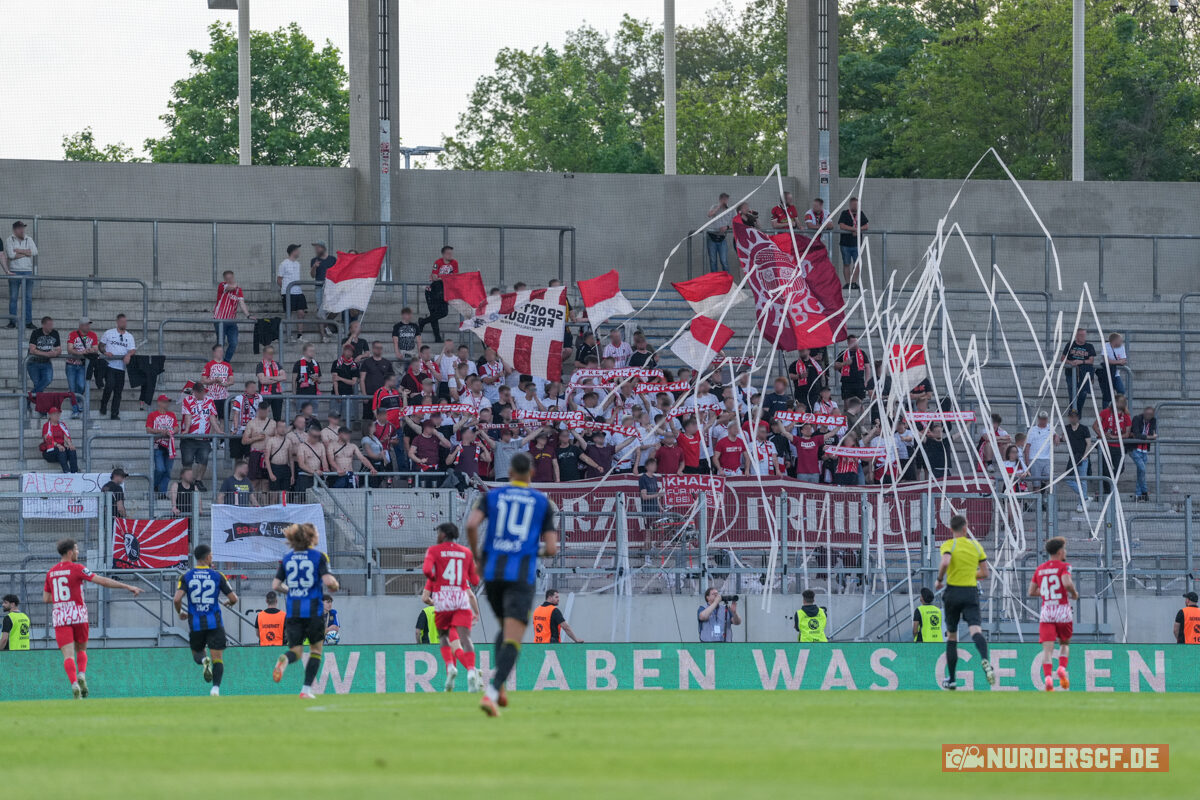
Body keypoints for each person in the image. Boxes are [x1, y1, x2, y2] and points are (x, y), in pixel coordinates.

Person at [466, 452, 559, 716]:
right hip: (520, 576)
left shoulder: (492, 495)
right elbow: (551, 549)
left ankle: (501, 685)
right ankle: (492, 692)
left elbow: (472, 525)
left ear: (510, 472)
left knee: (505, 628)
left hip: (493, 573)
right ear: (531, 473)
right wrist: (532, 551)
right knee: (514, 637)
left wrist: (478, 555)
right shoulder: (542, 501)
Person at [44, 538, 142, 698]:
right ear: (69, 552)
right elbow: (102, 581)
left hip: (60, 615)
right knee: (81, 650)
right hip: (78, 614)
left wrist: (63, 598)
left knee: (68, 655)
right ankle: (82, 674)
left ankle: (74, 683)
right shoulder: (77, 568)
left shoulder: (51, 573)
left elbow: (46, 598)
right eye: (76, 549)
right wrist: (128, 586)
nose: (77, 552)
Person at [271, 523, 339, 698]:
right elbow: (329, 582)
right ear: (311, 537)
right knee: (315, 651)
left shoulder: (287, 559)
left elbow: (276, 585)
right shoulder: (318, 557)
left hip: (293, 612)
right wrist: (335, 585)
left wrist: (292, 590)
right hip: (313, 612)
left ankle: (285, 659)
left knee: (296, 651)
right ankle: (306, 690)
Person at [935, 515, 995, 690]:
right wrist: (969, 574)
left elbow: (946, 561)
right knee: (976, 630)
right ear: (965, 528)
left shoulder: (949, 544)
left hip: (953, 591)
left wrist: (939, 579)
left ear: (951, 529)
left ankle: (952, 679)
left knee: (952, 636)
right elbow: (984, 573)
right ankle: (985, 660)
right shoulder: (976, 546)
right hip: (970, 592)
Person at [422, 521, 483, 691]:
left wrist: (436, 580)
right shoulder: (466, 553)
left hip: (443, 600)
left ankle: (451, 668)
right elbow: (475, 582)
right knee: (465, 640)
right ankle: (472, 671)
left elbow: (427, 572)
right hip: (461, 601)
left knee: (445, 639)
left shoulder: (434, 552)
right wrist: (476, 612)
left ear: (442, 534)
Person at [173, 544, 239, 697]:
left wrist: (180, 612)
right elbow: (234, 598)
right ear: (208, 557)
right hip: (214, 623)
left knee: (198, 654)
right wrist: (229, 603)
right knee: (218, 658)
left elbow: (176, 599)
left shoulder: (186, 576)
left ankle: (204, 662)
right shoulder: (217, 576)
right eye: (212, 556)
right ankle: (215, 689)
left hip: (196, 624)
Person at [1029, 536, 1078, 692]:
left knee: (1047, 649)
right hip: (1062, 610)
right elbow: (1066, 582)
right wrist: (1074, 593)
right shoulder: (1064, 566)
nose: (1065, 551)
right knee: (1064, 644)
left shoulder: (1040, 569)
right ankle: (1062, 668)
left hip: (1047, 611)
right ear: (1059, 551)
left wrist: (1047, 593)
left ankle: (1048, 678)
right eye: (1064, 549)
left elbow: (1031, 591)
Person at [181, 382, 222, 490]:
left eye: (203, 392)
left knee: (204, 459)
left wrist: (218, 430)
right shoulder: (187, 400)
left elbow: (213, 417)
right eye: (199, 393)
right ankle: (187, 482)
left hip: (204, 437)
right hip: (190, 437)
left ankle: (198, 480)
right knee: (187, 460)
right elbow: (187, 416)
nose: (202, 395)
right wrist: (186, 430)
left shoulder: (209, 400)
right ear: (194, 392)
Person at [1094, 393, 1132, 496]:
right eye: (1120, 401)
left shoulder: (1126, 416)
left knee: (1120, 467)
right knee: (1105, 469)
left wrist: (1114, 437)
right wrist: (1103, 435)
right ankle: (1107, 491)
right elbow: (1095, 426)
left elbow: (1127, 434)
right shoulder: (1105, 412)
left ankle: (1110, 484)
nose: (1123, 403)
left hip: (1118, 446)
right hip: (1105, 446)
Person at [99, 314, 136, 420]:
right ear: (117, 322)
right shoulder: (109, 333)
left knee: (118, 391)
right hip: (109, 365)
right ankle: (104, 404)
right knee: (109, 385)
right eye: (122, 321)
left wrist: (128, 355)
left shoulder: (129, 336)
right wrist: (105, 352)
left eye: (125, 322)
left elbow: (132, 349)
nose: (124, 324)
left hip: (121, 368)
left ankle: (114, 413)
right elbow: (101, 345)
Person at [212, 270, 254, 361]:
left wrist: (248, 315)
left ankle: (226, 363)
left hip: (231, 321)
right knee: (221, 343)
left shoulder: (238, 290)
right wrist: (236, 285)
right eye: (228, 279)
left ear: (233, 277)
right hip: (220, 320)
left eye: (231, 278)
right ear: (224, 279)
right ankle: (219, 363)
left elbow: (242, 303)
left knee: (234, 343)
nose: (230, 280)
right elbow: (231, 287)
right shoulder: (222, 285)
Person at [419, 246, 456, 342]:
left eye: (451, 253)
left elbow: (455, 277)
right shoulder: (438, 262)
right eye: (448, 253)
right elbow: (434, 277)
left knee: (444, 312)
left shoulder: (454, 263)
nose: (450, 255)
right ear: (443, 254)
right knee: (434, 313)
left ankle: (423, 321)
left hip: (444, 291)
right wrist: (447, 277)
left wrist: (442, 277)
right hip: (433, 291)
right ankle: (437, 336)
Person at [64, 317, 99, 418]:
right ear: (81, 326)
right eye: (86, 324)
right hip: (71, 364)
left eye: (88, 324)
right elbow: (69, 349)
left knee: (81, 385)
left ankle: (77, 400)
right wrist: (79, 353)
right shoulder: (73, 334)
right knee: (72, 387)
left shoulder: (93, 335)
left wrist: (89, 351)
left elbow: (96, 349)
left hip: (83, 365)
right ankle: (75, 409)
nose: (88, 326)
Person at [5, 220, 36, 328]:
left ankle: (28, 322)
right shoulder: (9, 240)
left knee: (28, 297)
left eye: (23, 227)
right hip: (14, 271)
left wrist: (19, 250)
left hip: (27, 271)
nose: (22, 230)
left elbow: (35, 251)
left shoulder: (29, 239)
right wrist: (26, 253)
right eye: (19, 228)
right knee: (13, 297)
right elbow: (11, 255)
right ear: (15, 230)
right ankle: (12, 322)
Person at [1063, 409, 1092, 512]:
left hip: (1082, 457)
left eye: (1075, 416)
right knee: (1068, 478)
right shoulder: (1066, 428)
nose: (1073, 418)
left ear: (1078, 417)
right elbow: (1063, 438)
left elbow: (1089, 443)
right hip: (1073, 457)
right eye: (1071, 416)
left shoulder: (1084, 428)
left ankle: (1081, 503)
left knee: (1082, 480)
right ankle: (1085, 498)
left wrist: (1085, 455)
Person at [836, 197, 868, 289]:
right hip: (845, 244)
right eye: (853, 204)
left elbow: (866, 226)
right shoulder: (844, 213)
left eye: (856, 204)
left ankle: (854, 282)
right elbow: (842, 225)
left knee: (857, 263)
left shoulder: (860, 214)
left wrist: (858, 229)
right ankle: (847, 282)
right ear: (850, 205)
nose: (855, 206)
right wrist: (854, 229)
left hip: (857, 244)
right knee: (846, 263)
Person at [1061, 328, 1096, 414]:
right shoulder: (1070, 345)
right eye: (1081, 335)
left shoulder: (1089, 346)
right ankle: (1073, 412)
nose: (1083, 337)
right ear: (1076, 336)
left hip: (1084, 373)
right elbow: (1062, 358)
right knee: (1072, 393)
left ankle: (1077, 413)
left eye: (1084, 335)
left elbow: (1091, 360)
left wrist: (1081, 361)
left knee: (1083, 393)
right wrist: (1070, 362)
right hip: (1070, 373)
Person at [26, 315, 61, 397]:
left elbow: (59, 349)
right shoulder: (35, 333)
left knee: (48, 379)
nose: (51, 327)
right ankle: (38, 404)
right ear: (43, 325)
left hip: (46, 362)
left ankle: (29, 397)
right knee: (37, 383)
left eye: (52, 325)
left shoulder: (55, 333)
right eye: (49, 325)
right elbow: (32, 350)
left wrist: (55, 353)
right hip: (33, 362)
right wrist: (47, 354)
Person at [277, 244, 306, 336]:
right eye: (297, 250)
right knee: (288, 314)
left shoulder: (298, 264)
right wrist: (285, 290)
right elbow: (279, 279)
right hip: (288, 293)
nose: (299, 252)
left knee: (301, 313)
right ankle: (288, 335)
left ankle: (299, 335)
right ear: (293, 251)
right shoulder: (284, 263)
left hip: (298, 292)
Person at [39, 407, 79, 473]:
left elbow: (66, 436)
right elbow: (47, 439)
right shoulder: (46, 426)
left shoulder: (62, 425)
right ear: (50, 415)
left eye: (58, 414)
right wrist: (58, 445)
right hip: (50, 450)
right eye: (54, 414)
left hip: (61, 449)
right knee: (61, 450)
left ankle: (75, 472)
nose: (57, 415)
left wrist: (70, 444)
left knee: (72, 450)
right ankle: (67, 472)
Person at [309, 240, 337, 337]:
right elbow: (313, 275)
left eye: (318, 247)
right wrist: (314, 267)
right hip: (319, 288)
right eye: (315, 248)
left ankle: (326, 328)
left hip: (330, 288)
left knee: (323, 312)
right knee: (320, 312)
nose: (316, 250)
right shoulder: (314, 260)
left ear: (323, 248)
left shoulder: (332, 259)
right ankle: (324, 334)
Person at [201, 344, 234, 424]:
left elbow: (232, 380)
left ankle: (222, 436)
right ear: (214, 352)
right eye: (219, 351)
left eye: (222, 351)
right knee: (212, 419)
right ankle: (213, 436)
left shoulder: (227, 365)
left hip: (224, 396)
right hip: (212, 397)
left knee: (223, 419)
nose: (221, 353)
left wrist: (226, 384)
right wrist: (214, 380)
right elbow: (203, 380)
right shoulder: (209, 365)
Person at [1130, 406, 1157, 503]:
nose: (1148, 416)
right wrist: (1150, 437)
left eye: (1150, 414)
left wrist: (1147, 437)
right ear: (1143, 412)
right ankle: (1145, 491)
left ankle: (1138, 495)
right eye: (1147, 413)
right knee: (1142, 469)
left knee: (1140, 472)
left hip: (1144, 450)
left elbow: (1153, 433)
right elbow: (1137, 435)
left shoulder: (1153, 421)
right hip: (1134, 449)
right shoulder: (1137, 419)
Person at [1099, 332, 1127, 408]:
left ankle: (1117, 408)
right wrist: (1118, 362)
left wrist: (1114, 362)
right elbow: (1106, 360)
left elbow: (1124, 360)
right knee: (1107, 394)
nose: (1121, 342)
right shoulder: (1106, 346)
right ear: (1115, 341)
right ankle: (1105, 413)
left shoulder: (1122, 347)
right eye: (1120, 340)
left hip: (1116, 374)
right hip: (1106, 374)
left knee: (1121, 391)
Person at [706, 193, 732, 273]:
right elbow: (709, 214)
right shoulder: (714, 207)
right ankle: (715, 281)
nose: (725, 201)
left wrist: (727, 227)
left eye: (726, 199)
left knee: (724, 261)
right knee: (713, 261)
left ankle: (727, 280)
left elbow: (736, 223)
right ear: (720, 200)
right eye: (723, 199)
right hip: (712, 237)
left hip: (722, 238)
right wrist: (719, 206)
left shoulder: (731, 209)